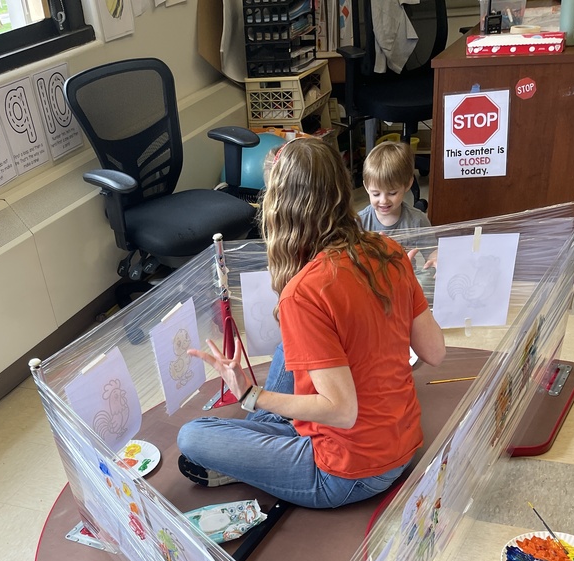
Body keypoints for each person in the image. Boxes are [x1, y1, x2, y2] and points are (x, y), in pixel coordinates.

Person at [177, 136, 445, 510]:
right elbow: (435, 351)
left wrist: (249, 394)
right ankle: (280, 436)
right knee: (290, 346)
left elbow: (342, 410)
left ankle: (271, 445)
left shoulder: (304, 292)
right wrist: (408, 285)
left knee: (193, 436)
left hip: (348, 473)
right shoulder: (390, 250)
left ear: (281, 207)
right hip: (402, 446)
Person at [357, 140, 431, 234]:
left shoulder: (418, 221)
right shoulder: (358, 223)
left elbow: (432, 249)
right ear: (366, 187)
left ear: (408, 184)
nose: (383, 200)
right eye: (376, 194)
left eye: (392, 193)